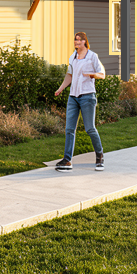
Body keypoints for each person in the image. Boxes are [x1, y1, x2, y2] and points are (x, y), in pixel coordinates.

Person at [53, 31, 106, 172]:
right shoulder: (73, 57)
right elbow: (69, 75)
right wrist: (61, 88)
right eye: (75, 40)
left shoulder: (92, 56)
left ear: (84, 41)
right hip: (73, 97)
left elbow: (102, 74)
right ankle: (67, 160)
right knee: (69, 129)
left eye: (79, 40)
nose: (76, 42)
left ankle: (99, 156)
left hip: (87, 96)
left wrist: (92, 74)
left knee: (90, 128)